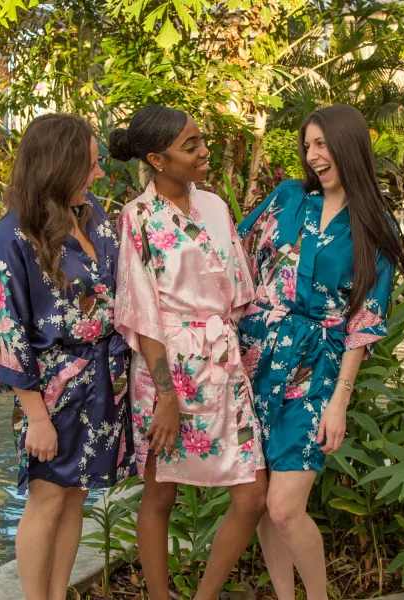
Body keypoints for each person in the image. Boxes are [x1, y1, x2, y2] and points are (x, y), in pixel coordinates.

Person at [236, 105, 404, 599]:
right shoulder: (288, 198)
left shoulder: (375, 225)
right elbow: (234, 256)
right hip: (256, 360)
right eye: (307, 145)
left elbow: (364, 322)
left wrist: (340, 403)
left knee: (286, 506)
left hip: (316, 371)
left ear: (348, 146)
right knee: (267, 501)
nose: (313, 155)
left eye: (322, 144)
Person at [0, 113, 134, 600]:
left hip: (104, 384)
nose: (98, 174)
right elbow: (4, 329)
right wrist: (36, 418)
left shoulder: (94, 217)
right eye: (89, 164)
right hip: (52, 392)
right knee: (46, 499)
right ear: (58, 165)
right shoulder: (14, 233)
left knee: (76, 498)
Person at [111, 104, 267, 600]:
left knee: (251, 495)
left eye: (202, 140)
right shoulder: (136, 218)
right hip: (166, 372)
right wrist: (165, 397)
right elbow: (141, 310)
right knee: (160, 493)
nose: (205, 151)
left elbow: (239, 291)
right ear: (158, 159)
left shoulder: (217, 207)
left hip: (221, 364)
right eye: (191, 145)